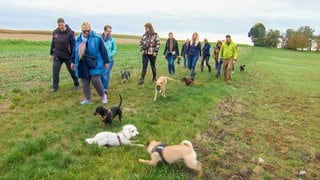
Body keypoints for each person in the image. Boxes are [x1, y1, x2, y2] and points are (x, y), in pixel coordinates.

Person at [71, 21, 110, 105]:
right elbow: (75, 52)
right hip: (82, 63)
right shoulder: (78, 39)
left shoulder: (97, 38)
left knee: (96, 80)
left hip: (95, 62)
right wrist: (73, 62)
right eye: (84, 31)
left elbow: (103, 50)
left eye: (88, 30)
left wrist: (106, 61)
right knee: (84, 82)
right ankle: (87, 99)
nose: (86, 32)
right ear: (81, 30)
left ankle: (103, 96)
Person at [49, 17, 79, 92]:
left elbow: (73, 46)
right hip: (58, 56)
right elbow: (53, 43)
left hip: (67, 56)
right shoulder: (55, 32)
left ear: (64, 24)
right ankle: (55, 87)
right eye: (59, 25)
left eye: (62, 25)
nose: (60, 27)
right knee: (55, 71)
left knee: (72, 71)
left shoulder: (70, 33)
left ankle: (76, 84)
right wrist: (51, 54)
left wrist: (73, 58)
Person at [101, 25, 117, 94]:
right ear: (104, 31)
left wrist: (109, 55)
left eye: (110, 31)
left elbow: (114, 49)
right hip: (101, 59)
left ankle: (105, 89)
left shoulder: (112, 40)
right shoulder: (99, 39)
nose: (110, 33)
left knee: (105, 73)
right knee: (101, 74)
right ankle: (101, 86)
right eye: (108, 31)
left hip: (109, 60)